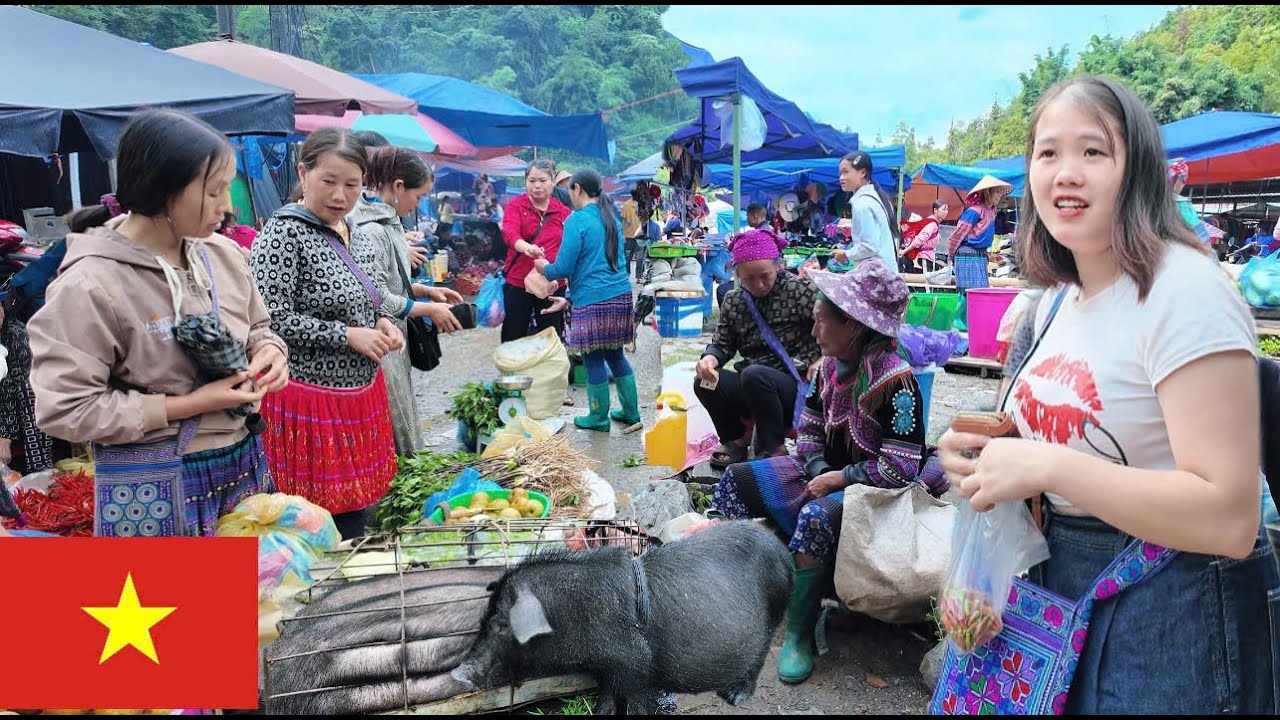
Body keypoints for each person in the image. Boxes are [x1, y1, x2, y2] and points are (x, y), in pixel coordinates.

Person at [938, 74, 1278, 714]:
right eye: (1048, 153)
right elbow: (1053, 439)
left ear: (1139, 168)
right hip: (1057, 583)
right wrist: (981, 452)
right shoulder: (1055, 302)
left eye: (1093, 152)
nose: (1066, 173)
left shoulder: (1187, 295)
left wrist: (1051, 465)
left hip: (1173, 610)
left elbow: (1231, 519)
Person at [26, 108, 289, 537]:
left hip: (243, 465)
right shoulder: (91, 284)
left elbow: (260, 326)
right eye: (215, 191)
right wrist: (191, 404)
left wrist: (270, 352)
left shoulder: (219, 255)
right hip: (151, 487)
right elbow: (66, 409)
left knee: (258, 601)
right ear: (164, 189)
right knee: (168, 603)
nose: (228, 207)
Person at [715, 259, 946, 684]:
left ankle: (799, 632)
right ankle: (733, 585)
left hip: (878, 494)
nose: (815, 331)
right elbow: (809, 431)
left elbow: (901, 467)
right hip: (827, 476)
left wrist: (841, 478)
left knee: (816, 518)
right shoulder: (825, 370)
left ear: (855, 327)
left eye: (822, 323)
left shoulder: (897, 384)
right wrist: (819, 467)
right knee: (738, 477)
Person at [252, 127, 404, 541]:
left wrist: (382, 323)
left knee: (358, 506)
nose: (340, 195)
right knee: (312, 517)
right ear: (303, 173)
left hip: (359, 395)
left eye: (352, 185)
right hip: (309, 402)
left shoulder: (354, 231)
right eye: (328, 182)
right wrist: (347, 336)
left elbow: (370, 297)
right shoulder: (284, 234)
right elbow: (269, 319)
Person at [350, 146, 465, 456]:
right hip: (381, 340)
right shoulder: (371, 230)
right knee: (393, 421)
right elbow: (374, 296)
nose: (417, 205)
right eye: (418, 197)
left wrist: (425, 292)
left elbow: (388, 280)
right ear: (398, 186)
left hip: (395, 338)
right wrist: (429, 309)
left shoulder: (387, 223)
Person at [695, 228, 821, 469]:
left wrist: (824, 358)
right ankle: (737, 439)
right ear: (736, 273)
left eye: (765, 275)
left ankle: (772, 448)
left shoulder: (800, 291)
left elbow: (831, 326)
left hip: (795, 385)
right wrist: (709, 360)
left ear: (778, 266)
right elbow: (722, 343)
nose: (759, 284)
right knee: (705, 382)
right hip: (754, 386)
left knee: (755, 375)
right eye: (749, 279)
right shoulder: (734, 300)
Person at [533, 168, 639, 431]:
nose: (569, 195)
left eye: (570, 189)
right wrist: (568, 294)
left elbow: (564, 267)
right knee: (615, 355)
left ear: (577, 188)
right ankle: (631, 412)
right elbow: (605, 264)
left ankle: (598, 417)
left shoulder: (576, 220)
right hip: (620, 295)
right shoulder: (611, 218)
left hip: (593, 300)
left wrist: (543, 267)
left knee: (592, 358)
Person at [500, 158, 572, 344]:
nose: (537, 186)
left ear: (553, 181)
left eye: (542, 180)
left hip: (552, 283)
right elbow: (509, 233)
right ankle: (512, 371)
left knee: (551, 336)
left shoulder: (564, 212)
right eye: (532, 181)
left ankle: (549, 372)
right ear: (525, 181)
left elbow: (571, 248)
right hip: (518, 282)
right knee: (514, 334)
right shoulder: (516, 206)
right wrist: (527, 248)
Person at [834, 151, 900, 270]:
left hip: (876, 277)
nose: (841, 178)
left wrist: (846, 254)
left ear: (863, 173)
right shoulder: (875, 198)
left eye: (846, 172)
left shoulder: (862, 203)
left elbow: (870, 246)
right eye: (840, 173)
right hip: (884, 273)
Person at [945, 174, 1011, 292]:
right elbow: (957, 236)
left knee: (981, 291)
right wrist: (951, 256)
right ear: (987, 192)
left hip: (981, 254)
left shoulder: (992, 210)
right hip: (968, 253)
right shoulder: (973, 212)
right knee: (970, 292)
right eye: (996, 192)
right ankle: (965, 311)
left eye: (1000, 192)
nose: (999, 195)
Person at [1166, 158, 1213, 246]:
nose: (1184, 184)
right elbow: (1201, 236)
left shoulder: (1143, 204)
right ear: (1176, 180)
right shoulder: (1181, 205)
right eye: (1183, 179)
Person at [899, 199, 948, 269]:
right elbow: (919, 239)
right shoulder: (932, 224)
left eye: (947, 209)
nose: (946, 212)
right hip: (923, 260)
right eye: (943, 209)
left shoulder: (932, 222)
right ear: (935, 210)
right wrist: (904, 251)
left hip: (924, 258)